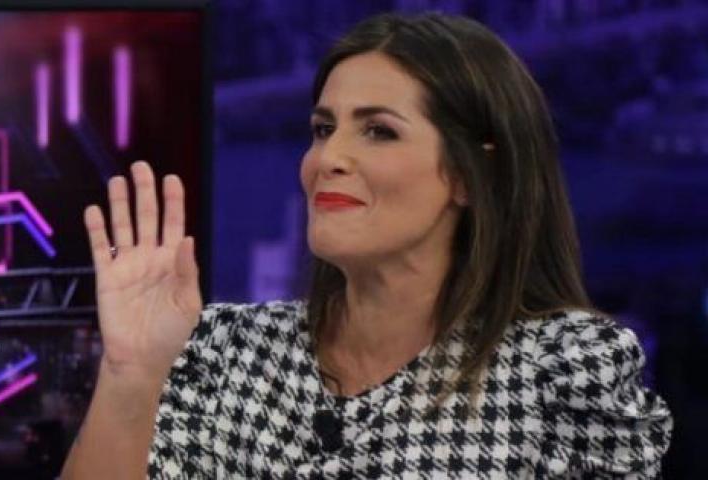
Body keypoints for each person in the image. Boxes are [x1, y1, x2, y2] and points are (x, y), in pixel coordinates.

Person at [61, 12, 672, 479]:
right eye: (322, 129)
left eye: (378, 131)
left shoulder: (563, 372)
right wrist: (131, 377)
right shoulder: (222, 350)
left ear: (471, 173)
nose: (328, 157)